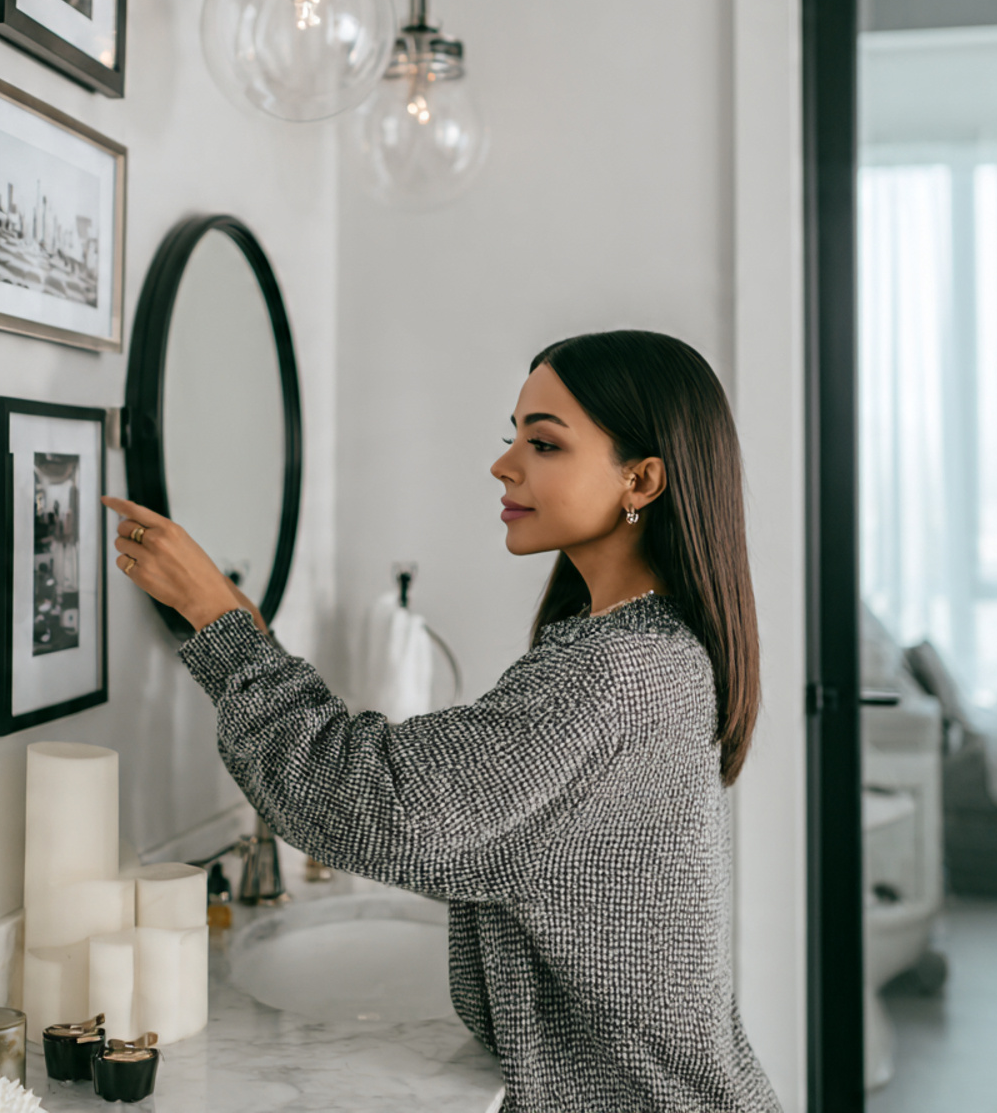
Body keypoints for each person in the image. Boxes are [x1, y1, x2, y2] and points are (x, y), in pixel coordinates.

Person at [102, 328, 782, 1113]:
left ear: (642, 478)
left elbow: (369, 801)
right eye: (512, 436)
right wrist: (248, 639)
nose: (504, 464)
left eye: (544, 443)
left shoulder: (611, 673)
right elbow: (459, 820)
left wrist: (219, 625)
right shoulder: (655, 648)